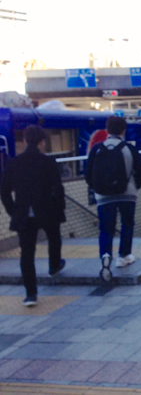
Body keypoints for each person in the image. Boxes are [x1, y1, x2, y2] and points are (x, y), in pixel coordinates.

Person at [1, 125, 66, 306]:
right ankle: (54, 265)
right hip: (47, 210)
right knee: (54, 238)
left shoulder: (13, 163)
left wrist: (13, 210)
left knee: (27, 254)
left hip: (24, 213)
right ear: (42, 142)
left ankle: (31, 294)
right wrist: (60, 207)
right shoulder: (48, 162)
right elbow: (58, 188)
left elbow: (4, 191)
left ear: (24, 141)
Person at [85, 116, 141, 282]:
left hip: (104, 196)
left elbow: (88, 174)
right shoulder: (129, 149)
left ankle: (105, 255)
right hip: (128, 195)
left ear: (107, 130)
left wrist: (97, 189)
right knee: (127, 223)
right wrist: (135, 187)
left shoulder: (97, 149)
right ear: (123, 131)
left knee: (106, 229)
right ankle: (123, 256)